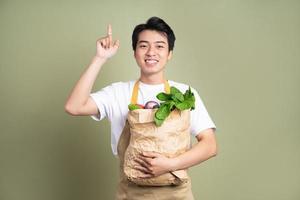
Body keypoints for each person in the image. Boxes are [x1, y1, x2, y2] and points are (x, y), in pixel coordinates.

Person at [65, 16, 217, 200]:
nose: (151, 52)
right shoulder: (118, 92)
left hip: (177, 194)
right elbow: (74, 106)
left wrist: (170, 164)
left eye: (160, 46)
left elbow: (210, 145)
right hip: (131, 193)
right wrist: (99, 58)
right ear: (135, 52)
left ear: (169, 53)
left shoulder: (185, 94)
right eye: (143, 45)